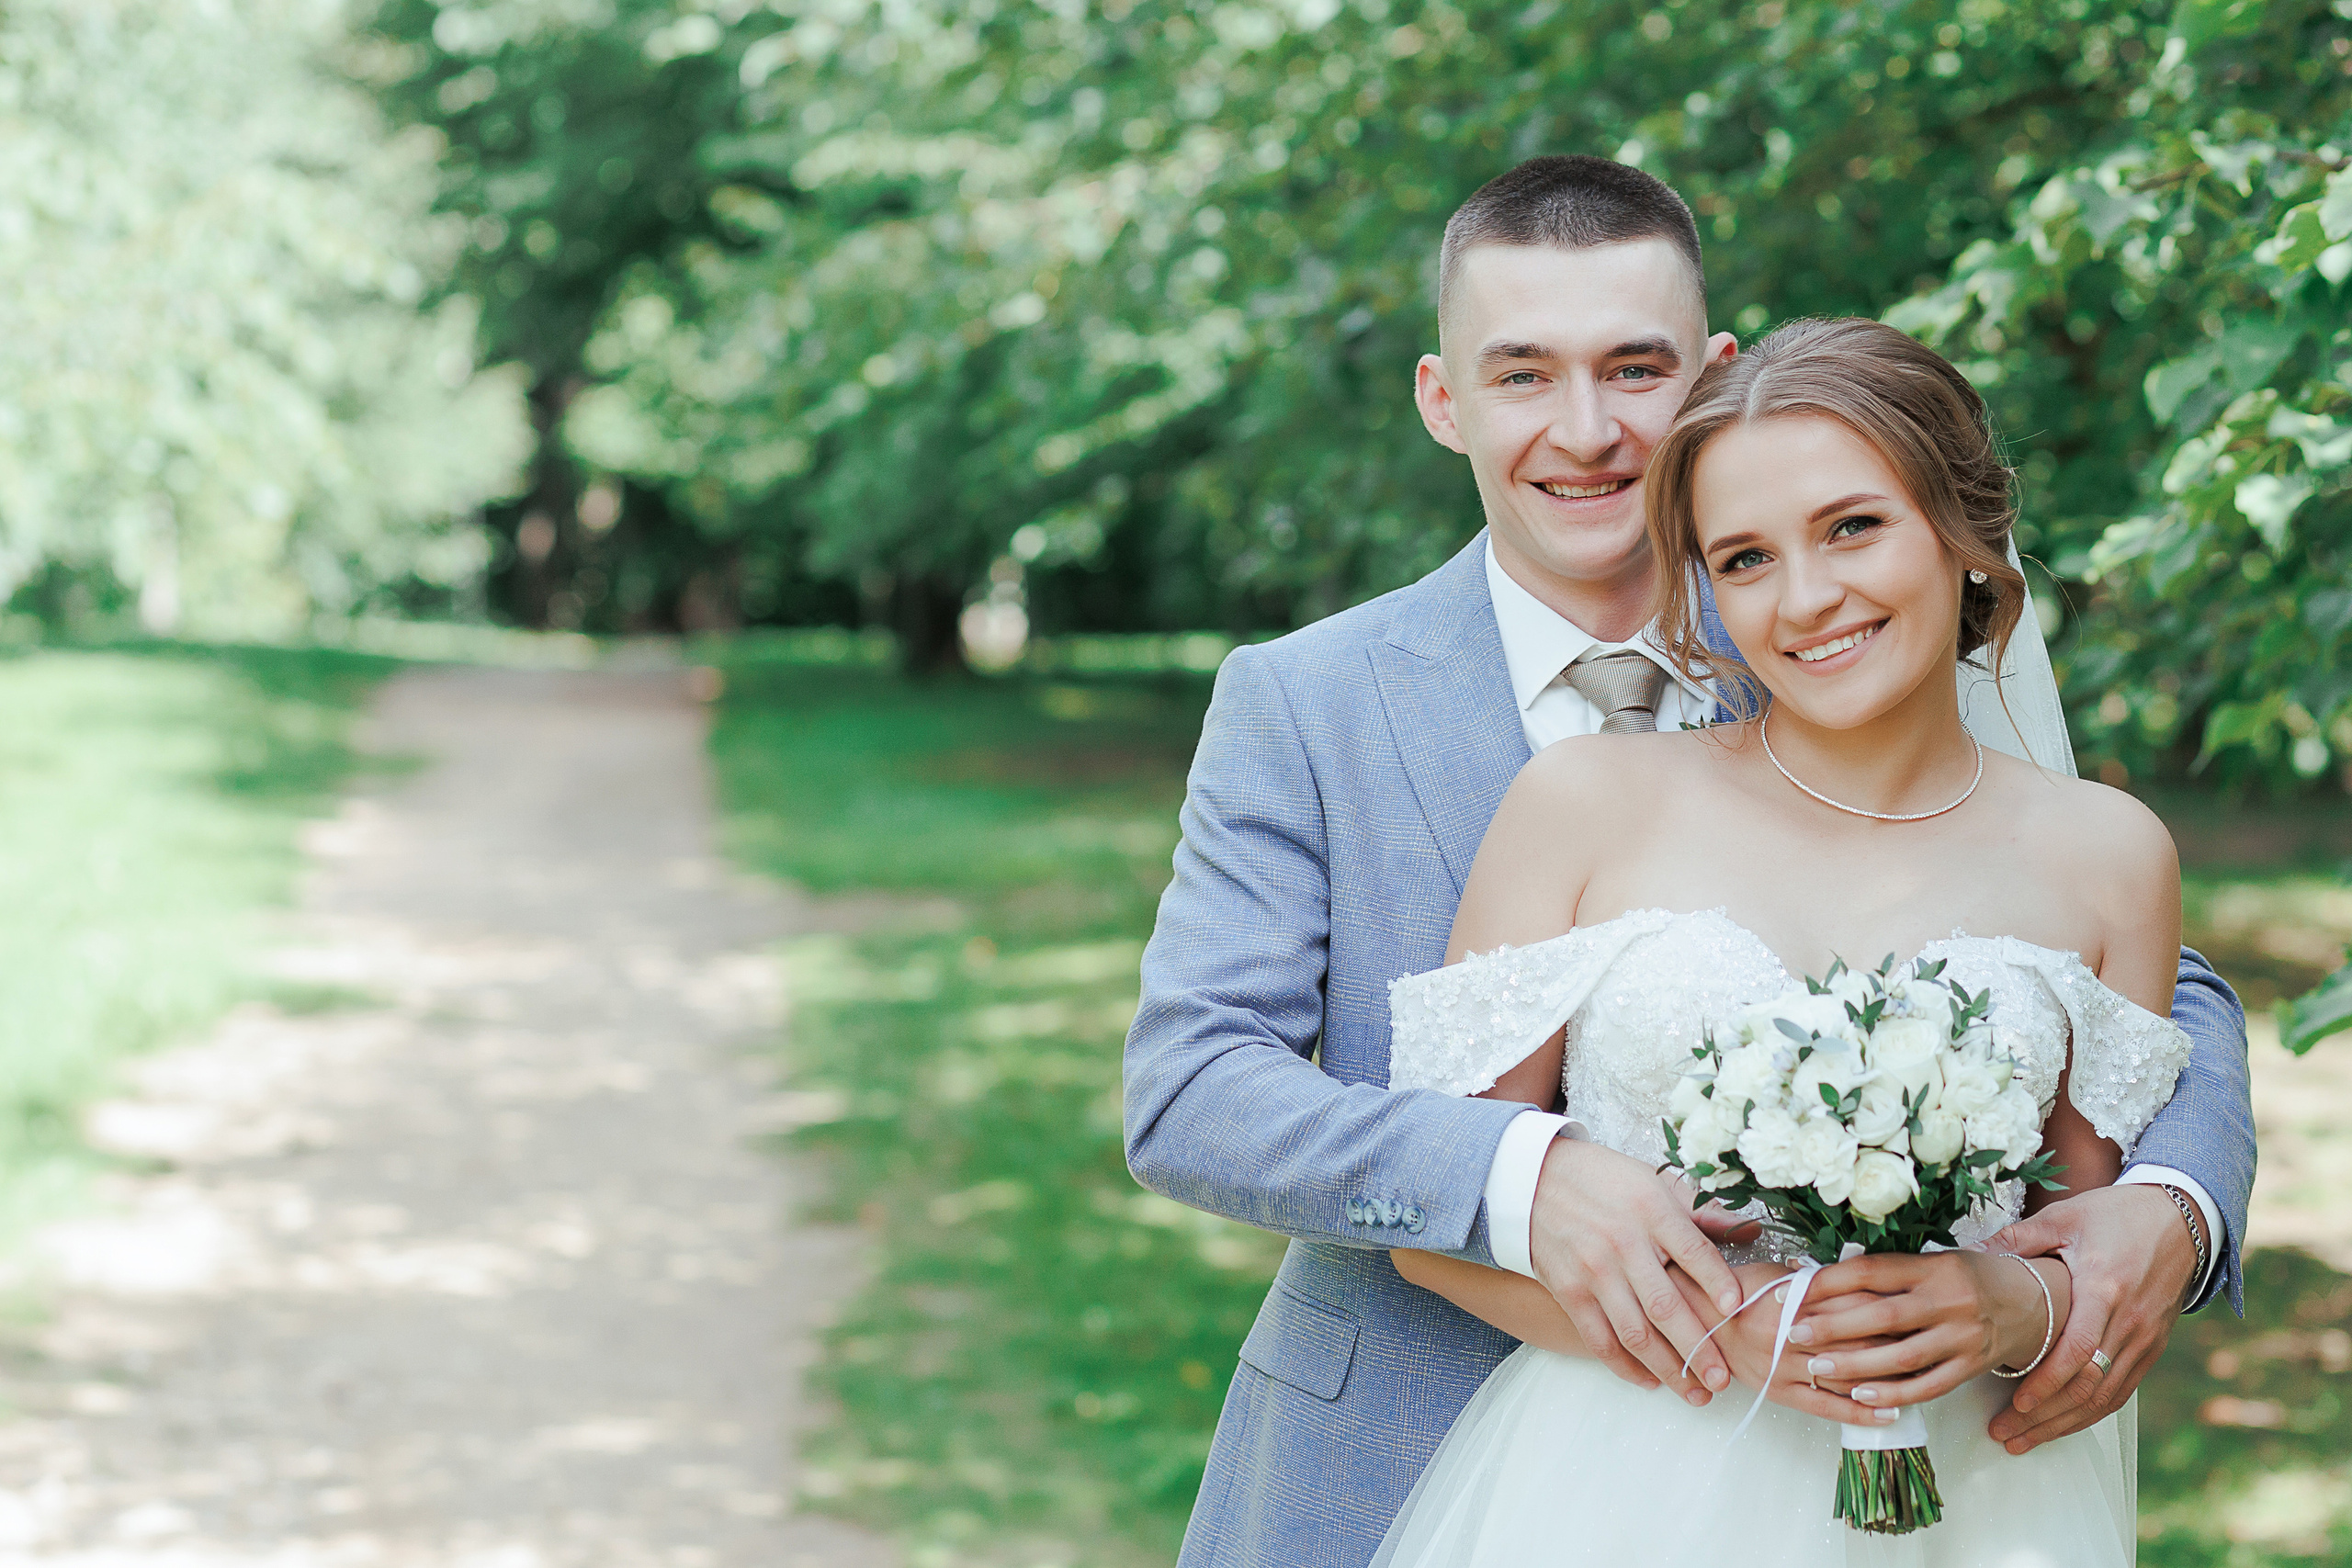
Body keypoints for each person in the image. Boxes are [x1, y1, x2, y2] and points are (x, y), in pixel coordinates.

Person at [1122, 155, 2253, 1568]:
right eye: (1522, 374)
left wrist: (2173, 1209)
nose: (1585, 430)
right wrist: (1519, 1176)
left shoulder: (1849, 632)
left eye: (1637, 368)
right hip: (1416, 1453)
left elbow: (2123, 973)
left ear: (1713, 373)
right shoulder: (1310, 699)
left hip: (1923, 1476)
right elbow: (1192, 1090)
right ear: (1441, 398)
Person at [1376, 313, 2177, 1565]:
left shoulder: (2111, 857)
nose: (1806, 600)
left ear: (1961, 529)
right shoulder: (1588, 805)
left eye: (1853, 527)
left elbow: (2092, 1253)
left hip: (1976, 1504)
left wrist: (2017, 1310)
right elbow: (1436, 1225)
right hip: (1626, 1488)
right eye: (1745, 559)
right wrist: (1716, 1327)